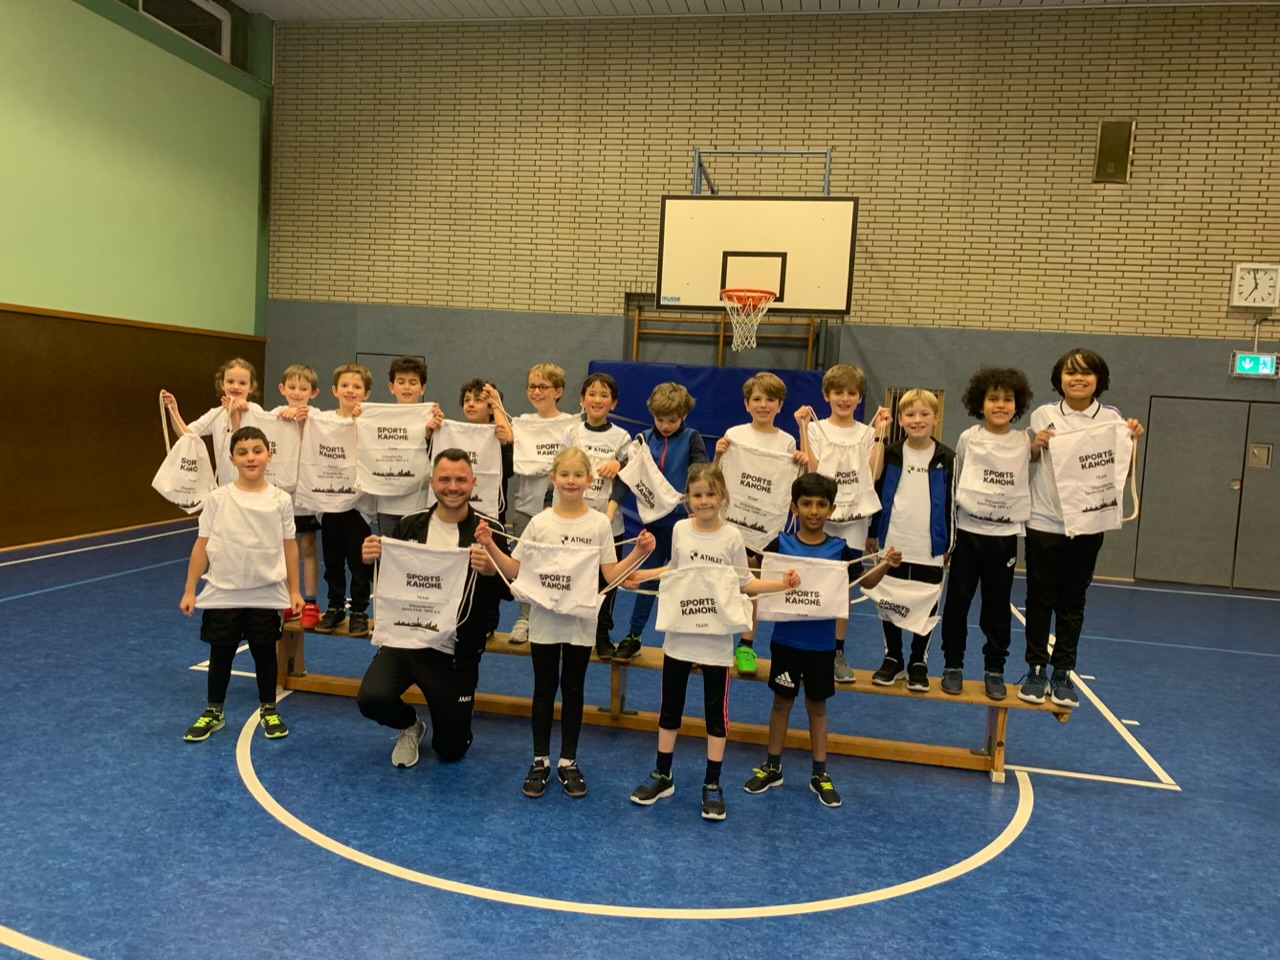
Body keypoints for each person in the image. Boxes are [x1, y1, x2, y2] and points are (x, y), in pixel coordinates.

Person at [474, 447, 654, 799]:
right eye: (565, 475)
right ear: (553, 479)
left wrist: (638, 553)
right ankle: (540, 760)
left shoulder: (599, 524)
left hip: (580, 622)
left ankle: (568, 761)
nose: (571, 481)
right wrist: (490, 545)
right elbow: (514, 570)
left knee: (573, 690)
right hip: (544, 619)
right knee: (544, 689)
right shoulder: (540, 523)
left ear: (589, 480)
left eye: (578, 475)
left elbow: (610, 576)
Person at [627, 463, 800, 821]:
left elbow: (745, 582)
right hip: (679, 637)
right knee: (669, 709)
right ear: (688, 498)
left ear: (722, 496)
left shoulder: (732, 537)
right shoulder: (679, 529)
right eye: (697, 495)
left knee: (715, 716)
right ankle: (663, 774)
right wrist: (642, 575)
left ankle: (712, 782)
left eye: (710, 494)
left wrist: (781, 584)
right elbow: (675, 570)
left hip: (716, 642)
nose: (704, 501)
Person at [743, 473, 900, 807]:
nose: (813, 511)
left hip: (821, 646)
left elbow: (868, 583)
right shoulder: (779, 545)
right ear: (794, 507)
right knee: (781, 703)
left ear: (830, 509)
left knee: (817, 706)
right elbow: (750, 570)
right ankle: (772, 766)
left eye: (820, 504)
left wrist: (885, 565)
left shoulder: (840, 550)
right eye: (806, 504)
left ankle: (819, 773)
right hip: (785, 642)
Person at [356, 449, 512, 768]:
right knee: (371, 699)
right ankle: (409, 724)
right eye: (444, 479)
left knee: (451, 750)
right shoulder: (409, 525)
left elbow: (511, 591)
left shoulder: (489, 531)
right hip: (406, 642)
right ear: (432, 482)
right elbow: (390, 581)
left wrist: (492, 571)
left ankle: (452, 719)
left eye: (460, 480)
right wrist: (370, 559)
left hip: (455, 652)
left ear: (473, 482)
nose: (452, 487)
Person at [1021, 348, 1144, 706]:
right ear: (1059, 378)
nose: (1078, 378)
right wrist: (1035, 444)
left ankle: (1062, 672)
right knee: (1039, 599)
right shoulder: (1043, 414)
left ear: (1098, 379)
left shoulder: (1112, 418)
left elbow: (1121, 470)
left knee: (1073, 601)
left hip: (1088, 524)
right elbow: (1029, 459)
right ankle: (1035, 670)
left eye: (1086, 373)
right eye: (1070, 372)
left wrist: (1131, 440)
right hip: (1043, 521)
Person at [179, 426, 303, 742]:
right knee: (221, 653)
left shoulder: (280, 499)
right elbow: (202, 544)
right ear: (232, 458)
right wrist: (190, 589)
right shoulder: (217, 498)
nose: (250, 458)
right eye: (243, 452)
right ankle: (214, 711)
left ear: (269, 455)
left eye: (257, 451)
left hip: (266, 592)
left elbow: (290, 546)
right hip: (224, 591)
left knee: (264, 652)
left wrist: (294, 590)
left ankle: (268, 708)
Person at [939, 367, 1033, 700]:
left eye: (1007, 399)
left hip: (1004, 537)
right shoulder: (969, 438)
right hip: (968, 533)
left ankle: (995, 668)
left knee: (996, 607)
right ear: (980, 403)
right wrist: (949, 535)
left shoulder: (1025, 441)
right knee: (957, 603)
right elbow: (957, 482)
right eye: (993, 398)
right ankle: (952, 664)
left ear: (1017, 405)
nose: (1000, 405)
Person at [795, 363, 892, 683]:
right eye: (838, 392)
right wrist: (802, 428)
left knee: (844, 584)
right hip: (819, 516)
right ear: (826, 395)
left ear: (860, 397)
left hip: (854, 518)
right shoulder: (815, 428)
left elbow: (873, 473)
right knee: (810, 578)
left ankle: (836, 650)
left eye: (851, 393)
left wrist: (880, 434)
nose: (845, 398)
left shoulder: (866, 432)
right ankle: (805, 646)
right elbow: (812, 470)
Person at [713, 371, 807, 677]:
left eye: (770, 399)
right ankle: (711, 639)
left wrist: (801, 465)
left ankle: (746, 645)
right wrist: (718, 456)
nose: (763, 404)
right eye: (757, 399)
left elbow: (791, 485)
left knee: (751, 585)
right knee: (718, 583)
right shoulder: (734, 435)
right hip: (730, 524)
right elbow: (716, 478)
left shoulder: (787, 441)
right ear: (746, 404)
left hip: (763, 529)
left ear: (780, 405)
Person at [614, 382, 709, 662]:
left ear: (684, 416)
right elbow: (627, 476)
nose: (665, 426)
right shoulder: (643, 439)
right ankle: (633, 635)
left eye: (672, 420)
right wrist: (612, 506)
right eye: (660, 419)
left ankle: (692, 639)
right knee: (648, 581)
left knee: (689, 582)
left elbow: (701, 473)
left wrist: (697, 509)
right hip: (654, 525)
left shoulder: (692, 438)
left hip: (685, 523)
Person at [870, 389, 955, 692]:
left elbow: (951, 503)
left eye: (924, 414)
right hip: (892, 541)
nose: (917, 420)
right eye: (910, 414)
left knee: (927, 603)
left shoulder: (947, 458)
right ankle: (893, 656)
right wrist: (873, 533)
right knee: (888, 599)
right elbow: (875, 493)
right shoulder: (890, 453)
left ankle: (918, 660)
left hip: (929, 547)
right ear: (900, 420)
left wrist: (949, 544)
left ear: (936, 418)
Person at [558, 373, 631, 660]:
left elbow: (629, 478)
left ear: (613, 403)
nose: (597, 399)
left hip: (609, 524)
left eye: (604, 395)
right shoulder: (571, 433)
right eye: (592, 394)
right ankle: (570, 630)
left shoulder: (622, 438)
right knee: (572, 577)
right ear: (581, 400)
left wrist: (620, 466)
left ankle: (601, 633)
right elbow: (559, 472)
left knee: (606, 583)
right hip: (573, 522)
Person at [506, 363, 577, 645]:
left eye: (543, 387)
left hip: (560, 510)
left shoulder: (572, 425)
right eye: (532, 387)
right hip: (525, 507)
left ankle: (559, 618)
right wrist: (495, 403)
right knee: (525, 566)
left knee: (559, 567)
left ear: (558, 391)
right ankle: (525, 617)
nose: (537, 392)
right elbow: (504, 435)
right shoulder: (522, 422)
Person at [315, 363, 375, 636]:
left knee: (359, 562)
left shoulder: (370, 421)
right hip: (329, 503)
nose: (350, 390)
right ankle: (335, 606)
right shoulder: (321, 420)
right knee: (332, 561)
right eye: (345, 386)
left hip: (358, 505)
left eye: (357, 387)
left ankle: (359, 610)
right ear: (334, 389)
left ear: (367, 393)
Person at [269, 363, 322, 628]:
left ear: (313, 392)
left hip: (307, 494)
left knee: (308, 547)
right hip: (282, 496)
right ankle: (289, 598)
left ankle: (310, 601)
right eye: (292, 387)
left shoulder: (317, 416)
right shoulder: (274, 415)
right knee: (282, 548)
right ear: (282, 389)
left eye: (303, 388)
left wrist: (303, 424)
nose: (297, 392)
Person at [160, 357, 265, 487]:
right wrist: (174, 410)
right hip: (225, 488)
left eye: (242, 383)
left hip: (251, 487)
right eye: (230, 381)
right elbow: (186, 434)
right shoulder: (216, 414)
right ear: (222, 384)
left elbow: (243, 447)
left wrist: (234, 416)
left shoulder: (256, 412)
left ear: (251, 387)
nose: (235, 387)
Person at [373, 356, 443, 535]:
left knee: (417, 550)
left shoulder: (433, 418)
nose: (406, 387)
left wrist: (432, 434)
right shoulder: (377, 418)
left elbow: (439, 458)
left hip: (419, 502)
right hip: (387, 503)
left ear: (422, 388)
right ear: (391, 387)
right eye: (401, 382)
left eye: (413, 382)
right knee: (389, 549)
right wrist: (359, 417)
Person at [459, 378, 514, 523]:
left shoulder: (500, 436)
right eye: (466, 400)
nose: (470, 404)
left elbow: (509, 471)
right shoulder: (454, 435)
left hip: (492, 512)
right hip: (459, 511)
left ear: (490, 408)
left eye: (478, 400)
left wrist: (503, 444)